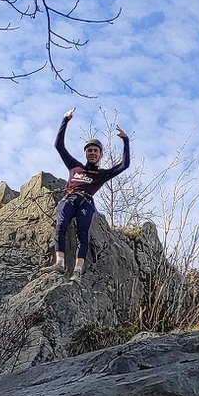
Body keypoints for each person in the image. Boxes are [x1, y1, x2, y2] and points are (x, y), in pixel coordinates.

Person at [52, 110, 130, 277]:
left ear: (101, 155)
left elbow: (124, 165)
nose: (92, 153)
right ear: (85, 153)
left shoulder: (102, 174)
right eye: (90, 151)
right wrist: (65, 120)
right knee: (60, 224)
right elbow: (58, 146)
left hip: (86, 202)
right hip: (70, 198)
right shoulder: (75, 167)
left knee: (83, 234)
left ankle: (78, 270)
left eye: (96, 151)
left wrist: (125, 140)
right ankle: (59, 263)